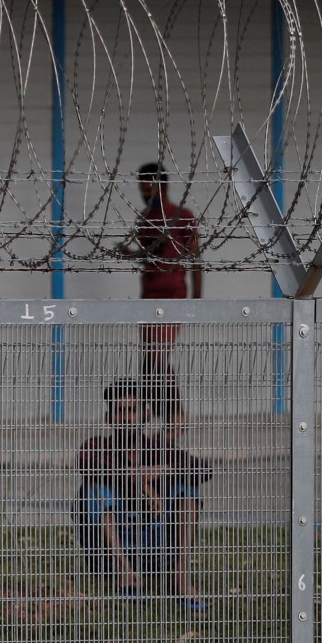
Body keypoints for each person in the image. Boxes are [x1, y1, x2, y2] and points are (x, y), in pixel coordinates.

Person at [76, 379, 208, 612]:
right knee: (93, 488)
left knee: (187, 488)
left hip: (157, 546)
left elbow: (202, 469)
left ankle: (181, 577)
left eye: (132, 410)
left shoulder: (158, 449)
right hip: (114, 550)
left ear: (146, 414)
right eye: (120, 411)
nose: (127, 418)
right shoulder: (97, 447)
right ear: (108, 418)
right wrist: (139, 482)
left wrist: (161, 471)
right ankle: (125, 573)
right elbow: (86, 462)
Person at [117, 162, 202, 441]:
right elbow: (148, 255)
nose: (144, 192)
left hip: (172, 295)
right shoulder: (145, 218)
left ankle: (173, 415)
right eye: (141, 188)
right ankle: (156, 412)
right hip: (148, 296)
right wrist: (129, 254)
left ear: (162, 185)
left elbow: (195, 258)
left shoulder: (181, 216)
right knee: (149, 360)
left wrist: (197, 300)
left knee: (156, 357)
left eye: (149, 187)